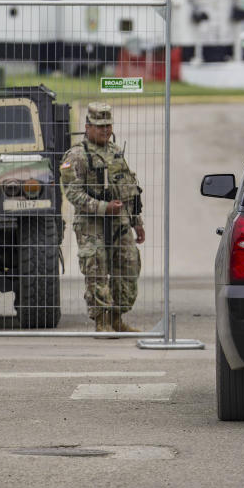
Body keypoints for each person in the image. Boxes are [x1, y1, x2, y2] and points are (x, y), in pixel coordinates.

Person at [60, 102, 145, 333]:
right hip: (92, 224)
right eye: (99, 126)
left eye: (108, 125)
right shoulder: (77, 155)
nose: (105, 130)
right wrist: (102, 207)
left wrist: (137, 221)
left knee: (127, 266)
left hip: (120, 222)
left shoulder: (115, 152)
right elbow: (72, 193)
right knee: (96, 269)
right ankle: (102, 322)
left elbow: (128, 188)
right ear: (87, 127)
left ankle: (117, 318)